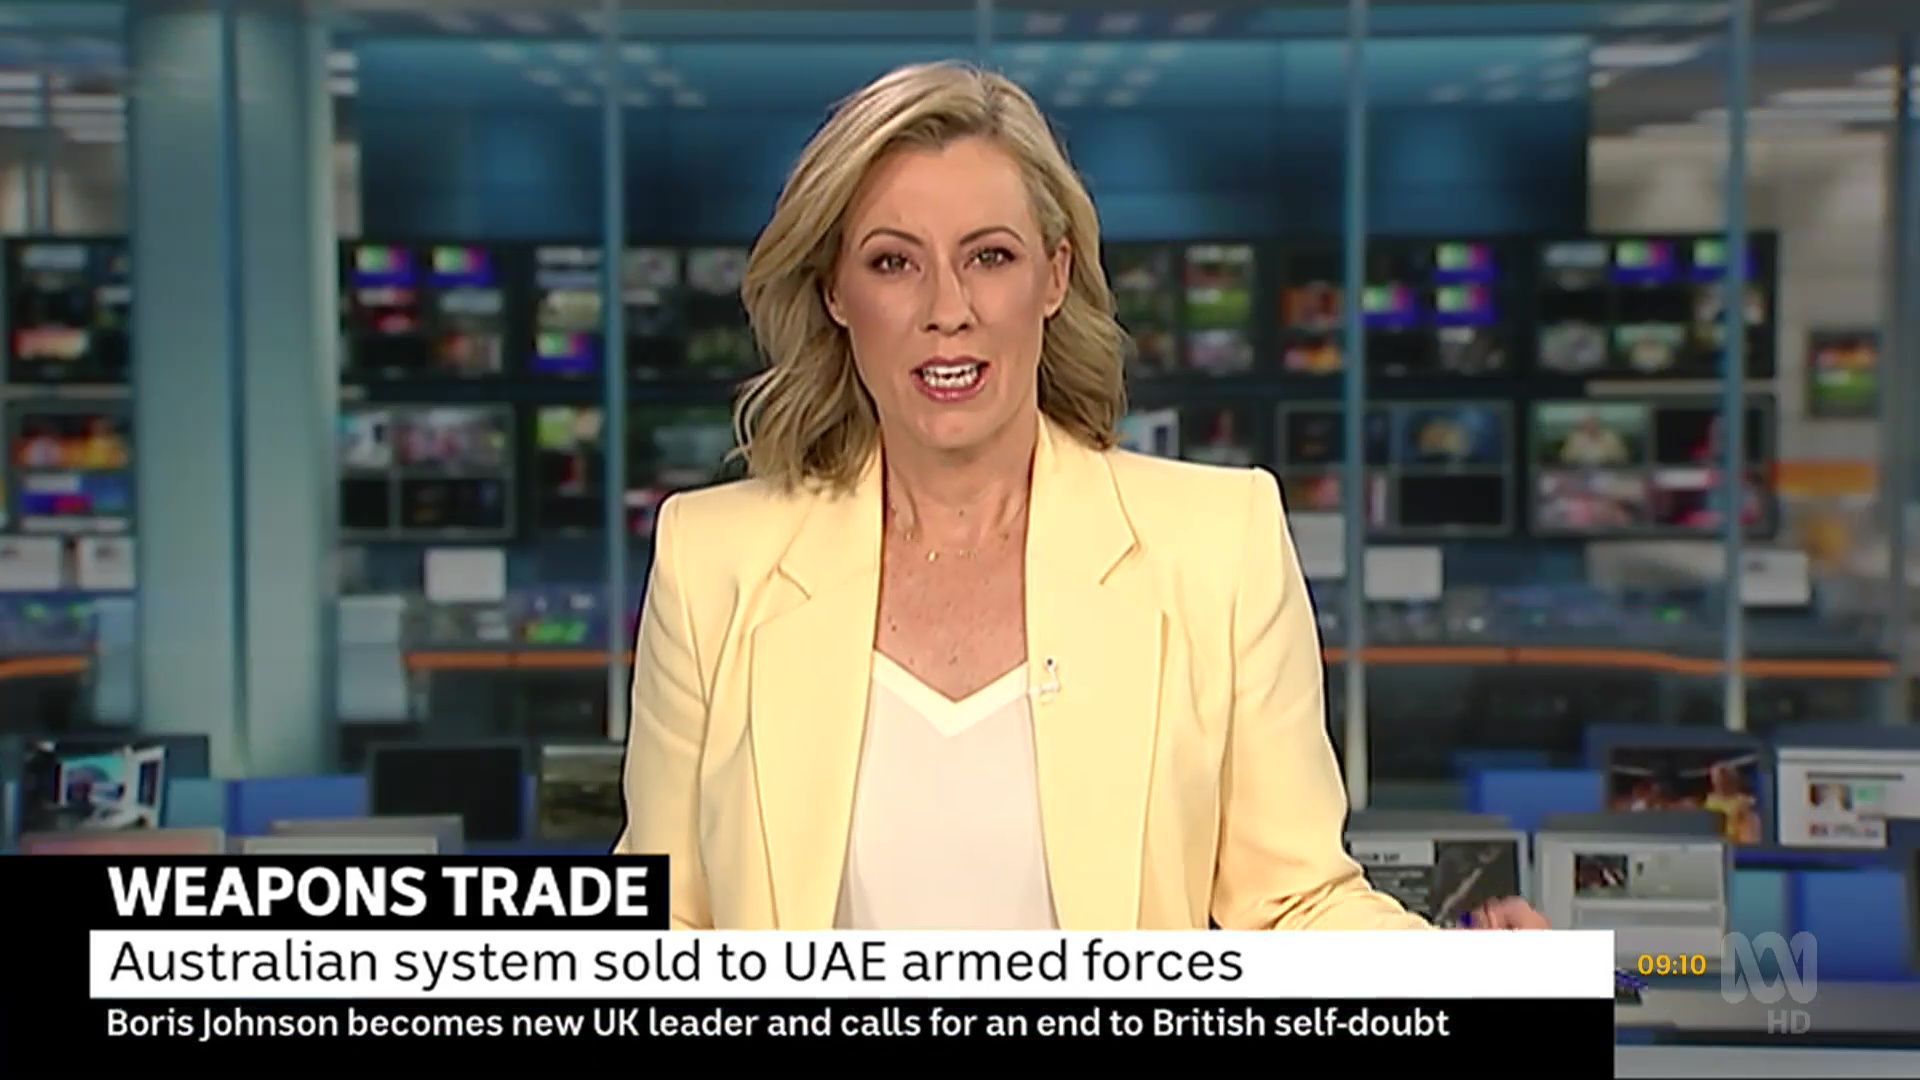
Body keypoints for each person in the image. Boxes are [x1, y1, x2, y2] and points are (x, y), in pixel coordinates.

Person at [613, 60, 1546, 934]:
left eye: (990, 257)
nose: (948, 309)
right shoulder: (714, 560)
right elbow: (664, 926)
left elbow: (1292, 903)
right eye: (894, 262)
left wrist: (1467, 980)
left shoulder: (1217, 546)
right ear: (835, 294)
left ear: (1054, 276)